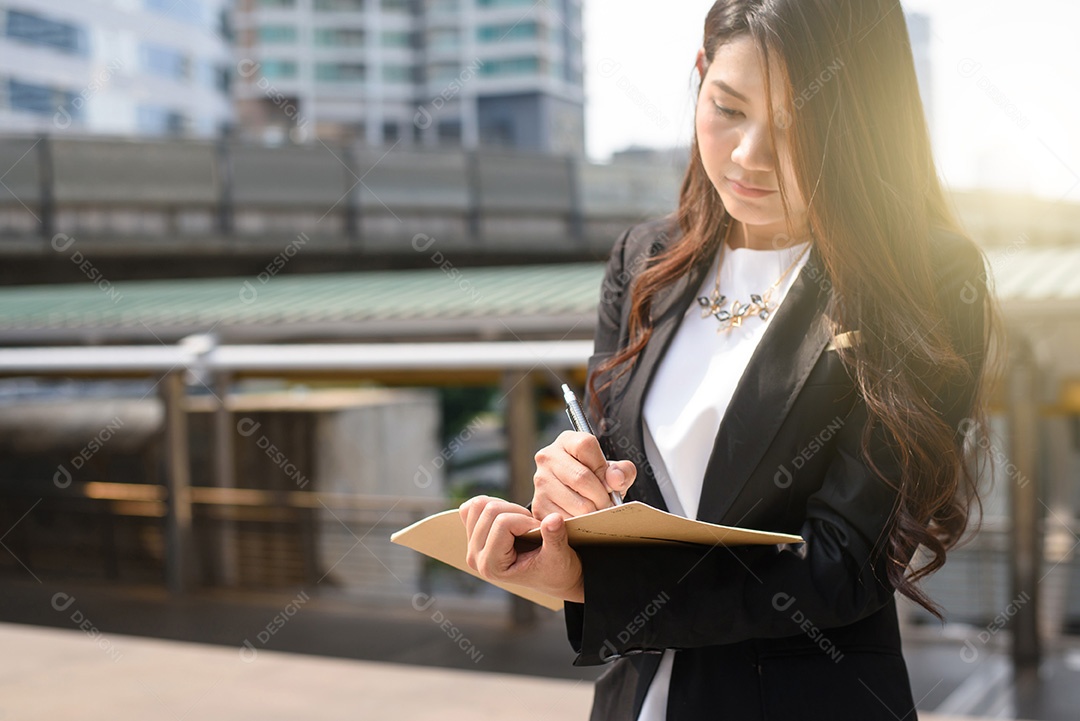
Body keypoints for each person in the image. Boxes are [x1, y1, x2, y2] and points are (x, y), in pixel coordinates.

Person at [458, 1, 1004, 718]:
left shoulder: (924, 277)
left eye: (796, 130)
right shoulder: (645, 261)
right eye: (727, 107)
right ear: (699, 75)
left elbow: (842, 563)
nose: (749, 157)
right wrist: (565, 512)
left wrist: (601, 586)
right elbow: (625, 500)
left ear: (864, 130)